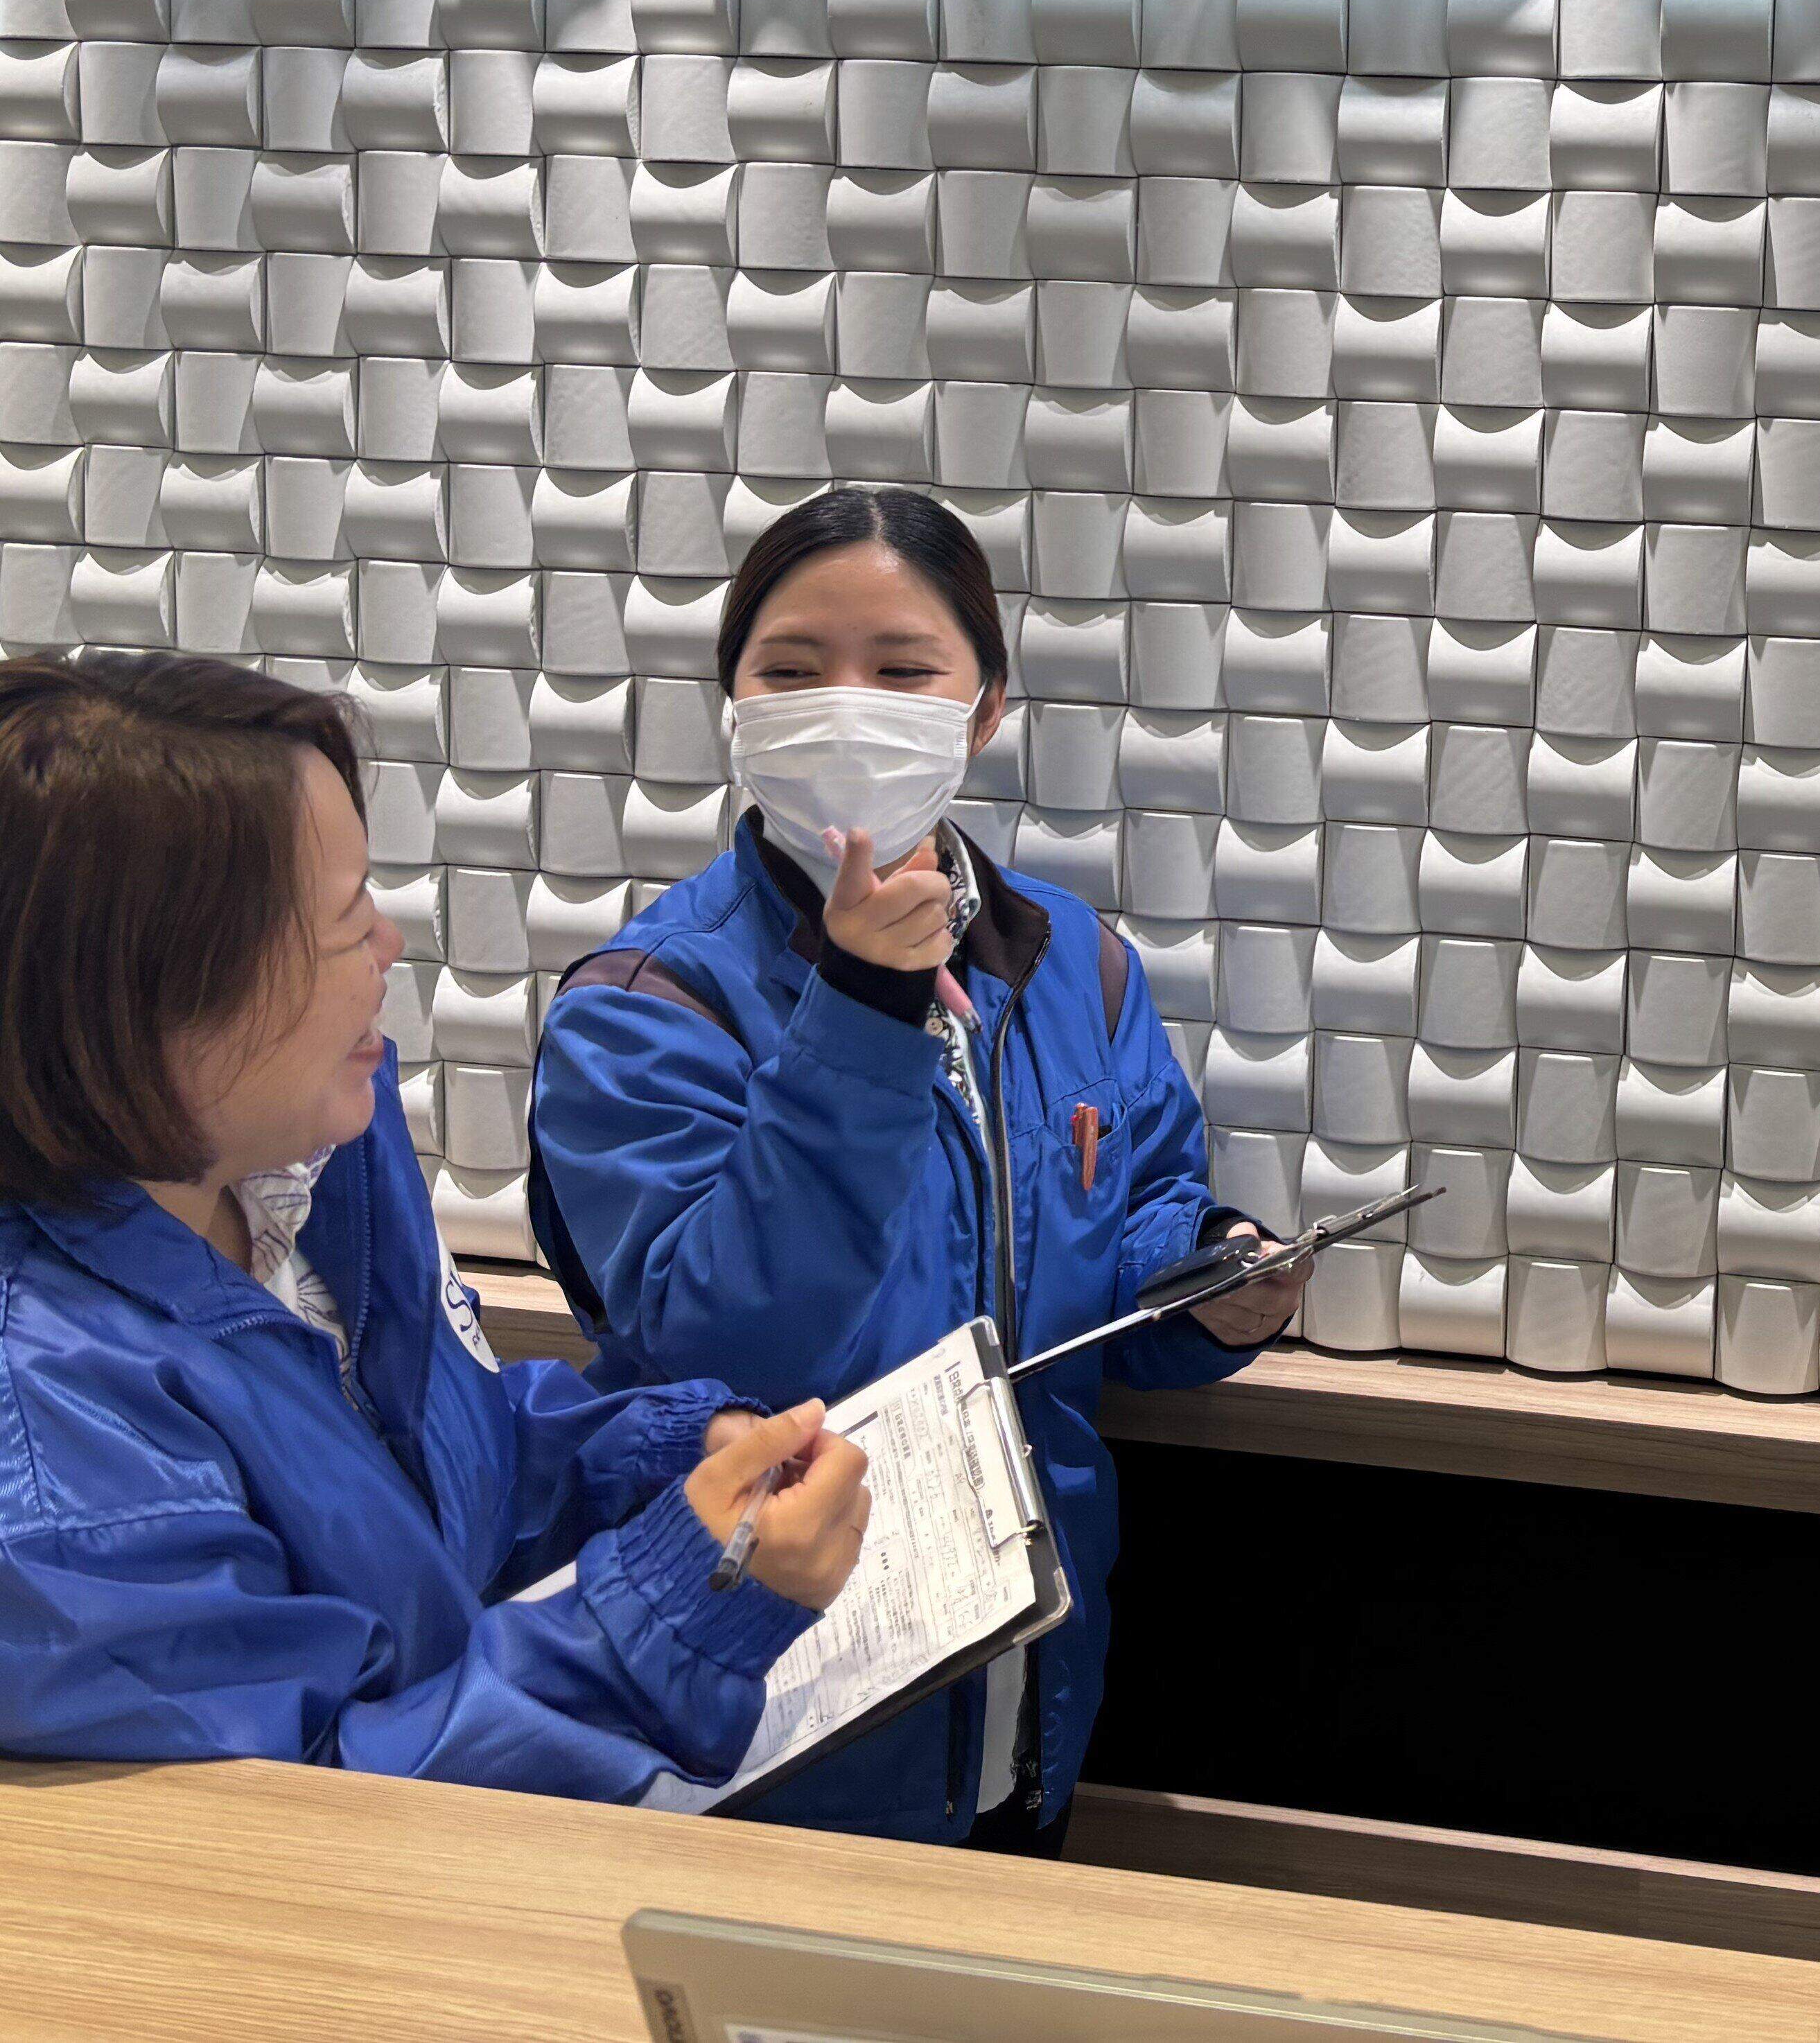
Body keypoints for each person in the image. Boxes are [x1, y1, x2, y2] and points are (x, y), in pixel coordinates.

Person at [528, 484, 1300, 1852]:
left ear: (984, 708)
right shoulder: (647, 1007)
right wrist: (862, 1007)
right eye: (792, 670)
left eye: (901, 672)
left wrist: (1213, 1282)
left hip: (1029, 1680)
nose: (846, 708)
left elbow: (1123, 1227)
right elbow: (720, 1339)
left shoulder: (1074, 962)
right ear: (734, 704)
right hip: (767, 1708)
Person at [0, 650, 869, 1794]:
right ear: (149, 998)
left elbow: (437, 1471)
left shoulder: (309, 1163)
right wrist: (686, 1606)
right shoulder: (61, 1459)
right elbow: (306, 1816)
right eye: (344, 922)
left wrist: (660, 1454)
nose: (389, 949)